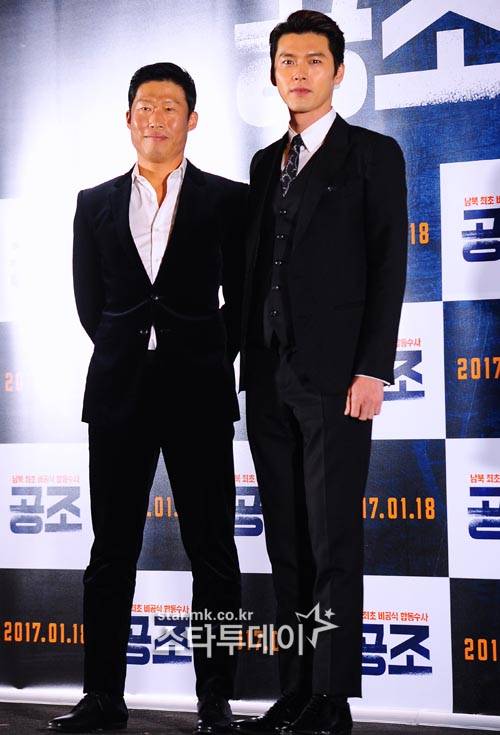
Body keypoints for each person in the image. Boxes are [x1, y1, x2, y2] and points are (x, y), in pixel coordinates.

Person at [47, 62, 246, 735]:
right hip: (119, 392)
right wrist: (130, 349)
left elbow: (242, 301)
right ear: (127, 118)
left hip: (199, 392)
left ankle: (215, 698)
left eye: (170, 107)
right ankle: (102, 697)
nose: (155, 118)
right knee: (111, 551)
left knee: (214, 551)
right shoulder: (93, 202)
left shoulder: (228, 200)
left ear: (192, 119)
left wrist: (204, 353)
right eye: (145, 107)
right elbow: (90, 302)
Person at [234, 10, 407, 735]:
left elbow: (388, 266)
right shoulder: (262, 164)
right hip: (267, 375)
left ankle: (331, 700)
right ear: (273, 73)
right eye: (287, 61)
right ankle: (296, 689)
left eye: (313, 61)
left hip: (337, 381)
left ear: (339, 71)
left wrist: (373, 370)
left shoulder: (373, 154)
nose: (299, 72)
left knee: (333, 541)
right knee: (287, 543)